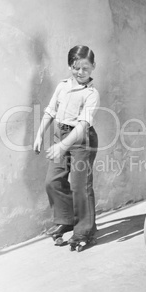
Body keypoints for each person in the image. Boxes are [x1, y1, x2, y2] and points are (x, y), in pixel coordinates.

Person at [34, 45, 100, 249]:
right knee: (52, 181)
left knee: (80, 186)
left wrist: (63, 145)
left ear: (93, 67)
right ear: (70, 66)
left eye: (85, 68)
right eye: (76, 67)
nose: (80, 72)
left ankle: (84, 232)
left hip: (81, 140)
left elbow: (82, 125)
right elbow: (50, 110)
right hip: (59, 135)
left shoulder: (91, 94)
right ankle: (65, 220)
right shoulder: (62, 86)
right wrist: (39, 134)